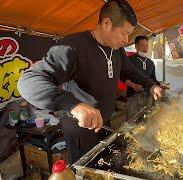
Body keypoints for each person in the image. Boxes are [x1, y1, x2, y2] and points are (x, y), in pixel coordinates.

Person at [17, 0, 163, 163]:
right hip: (80, 127)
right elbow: (28, 81)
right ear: (107, 23)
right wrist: (74, 105)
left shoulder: (117, 50)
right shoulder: (72, 47)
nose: (126, 40)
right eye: (124, 33)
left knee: (105, 164)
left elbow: (129, 71)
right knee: (85, 170)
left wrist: (151, 85)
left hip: (104, 120)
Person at [123, 36, 161, 120]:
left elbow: (153, 79)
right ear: (136, 46)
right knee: (132, 120)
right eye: (142, 45)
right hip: (133, 97)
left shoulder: (150, 63)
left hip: (148, 96)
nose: (145, 48)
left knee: (148, 119)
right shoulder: (128, 60)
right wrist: (133, 85)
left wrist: (159, 85)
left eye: (147, 45)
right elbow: (122, 76)